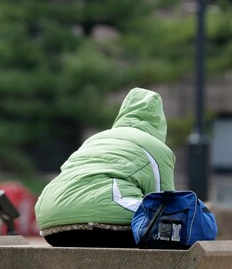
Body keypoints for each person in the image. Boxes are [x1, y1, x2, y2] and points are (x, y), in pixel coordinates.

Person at [35, 87, 176, 248]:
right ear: (160, 122)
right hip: (106, 227)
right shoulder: (157, 148)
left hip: (50, 224)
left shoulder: (94, 139)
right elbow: (165, 203)